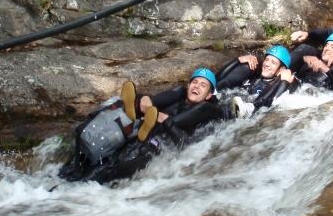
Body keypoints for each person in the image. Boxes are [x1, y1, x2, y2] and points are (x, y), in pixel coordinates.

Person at [59, 68, 230, 184]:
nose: (197, 86)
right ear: (188, 85)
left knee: (107, 168)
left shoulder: (204, 114)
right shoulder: (177, 95)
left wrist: (165, 120)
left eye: (203, 85)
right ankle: (65, 177)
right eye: (195, 82)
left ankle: (68, 188)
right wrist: (144, 101)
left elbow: (186, 144)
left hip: (152, 146)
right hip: (136, 133)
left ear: (208, 95)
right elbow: (152, 101)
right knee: (92, 144)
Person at [215, 45, 295, 118]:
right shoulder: (253, 76)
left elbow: (271, 102)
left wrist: (284, 82)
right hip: (222, 103)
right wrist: (238, 60)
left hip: (242, 115)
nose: (267, 64)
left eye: (273, 62)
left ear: (281, 69)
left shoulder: (277, 85)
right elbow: (218, 79)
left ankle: (248, 109)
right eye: (266, 59)